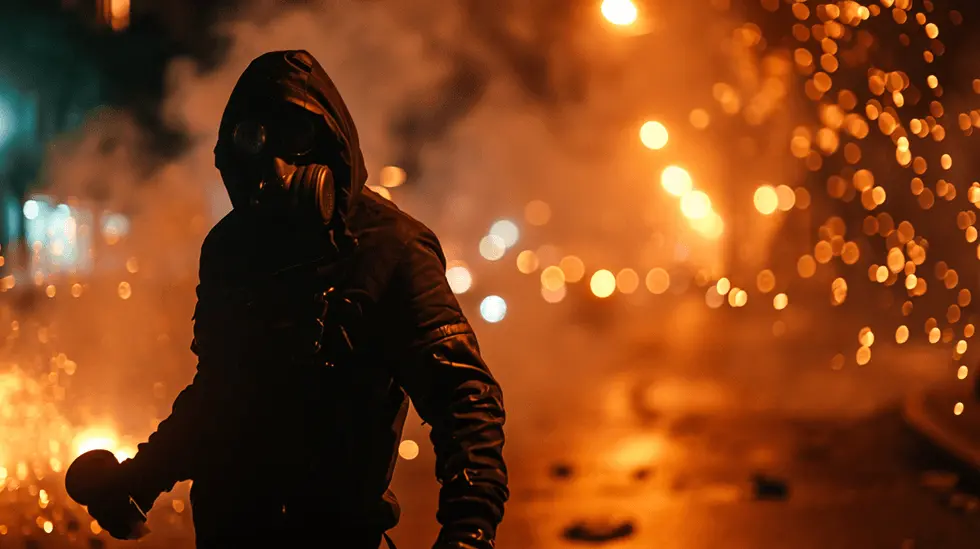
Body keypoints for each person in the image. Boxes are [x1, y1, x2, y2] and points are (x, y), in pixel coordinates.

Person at [84, 50, 509, 549]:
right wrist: (140, 479)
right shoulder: (230, 250)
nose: (278, 168)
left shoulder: (392, 248)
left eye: (298, 139)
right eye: (257, 142)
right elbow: (217, 398)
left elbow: (466, 402)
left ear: (333, 144)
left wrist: (468, 532)